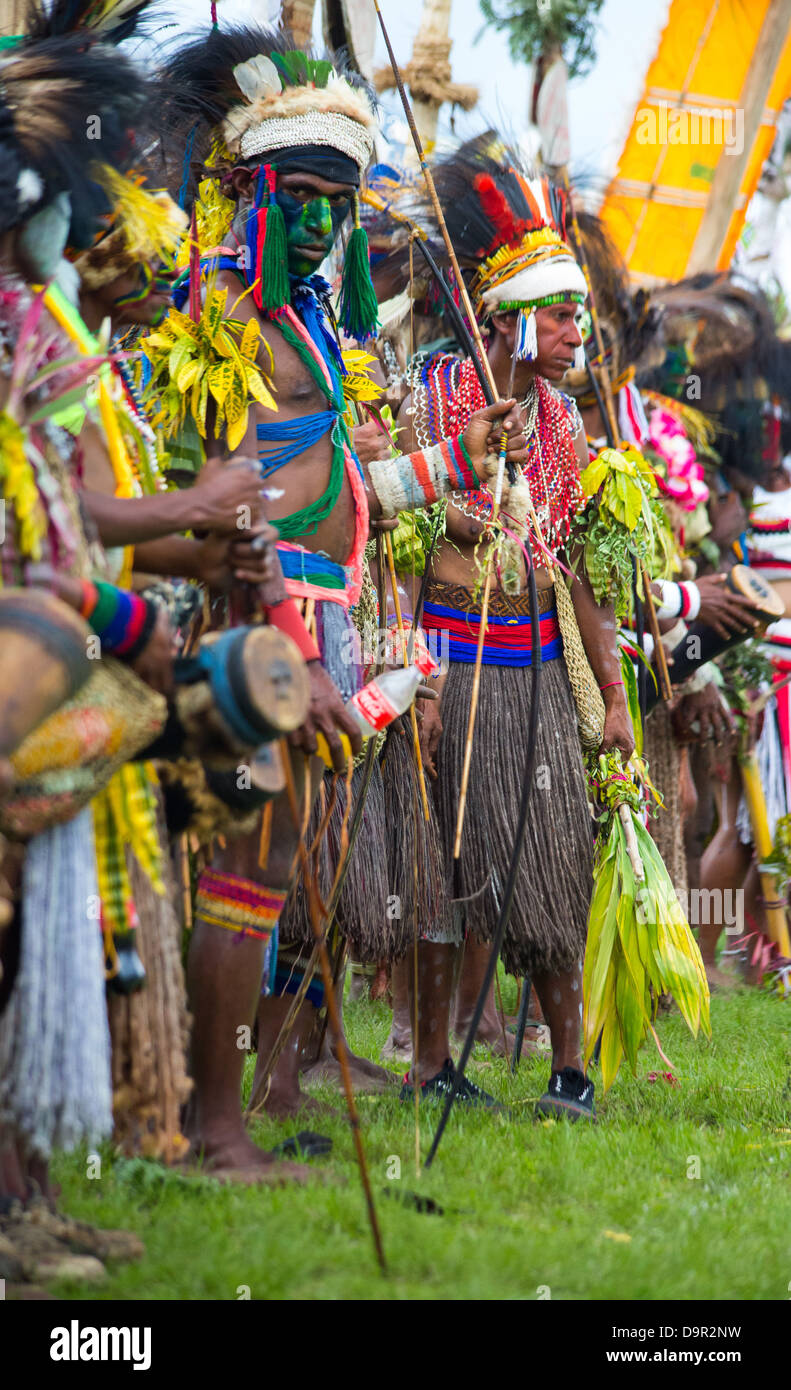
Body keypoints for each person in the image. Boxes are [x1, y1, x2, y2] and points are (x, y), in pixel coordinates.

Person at [154, 33, 526, 1177]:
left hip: (320, 617)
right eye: (297, 197)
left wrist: (455, 458)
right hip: (250, 624)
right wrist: (278, 640)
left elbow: (340, 488)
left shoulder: (307, 320)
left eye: (335, 202)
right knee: (242, 859)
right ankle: (210, 1124)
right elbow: (219, 500)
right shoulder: (218, 315)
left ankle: (232, 1107)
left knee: (282, 866)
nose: (319, 223)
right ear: (247, 191)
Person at [395, 136, 635, 1120]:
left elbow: (579, 570)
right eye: (562, 309)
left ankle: (567, 1069)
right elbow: (398, 543)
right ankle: (433, 1061)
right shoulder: (434, 398)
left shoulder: (564, 422)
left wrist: (614, 698)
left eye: (579, 307)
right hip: (451, 657)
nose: (580, 328)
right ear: (508, 315)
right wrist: (407, 678)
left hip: (537, 668)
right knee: (449, 868)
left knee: (550, 866)